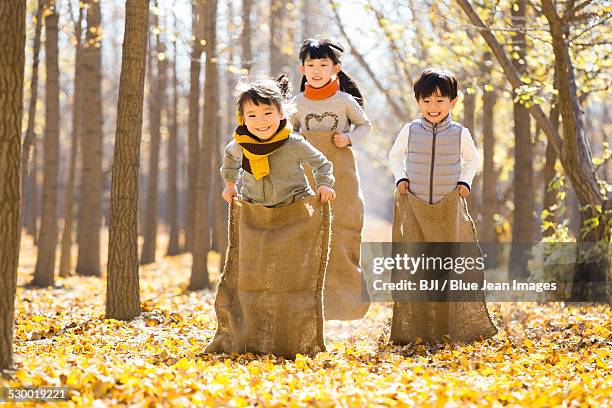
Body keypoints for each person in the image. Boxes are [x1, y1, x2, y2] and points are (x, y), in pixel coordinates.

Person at [289, 37, 372, 320]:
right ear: (302, 69)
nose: (316, 69)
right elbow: (288, 132)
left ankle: (347, 304)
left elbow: (365, 125)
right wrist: (298, 140)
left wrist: (348, 138)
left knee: (342, 232)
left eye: (323, 64)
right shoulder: (297, 103)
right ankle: (307, 305)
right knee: (306, 234)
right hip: (306, 176)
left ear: (335, 68)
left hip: (342, 176)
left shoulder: (345, 101)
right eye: (310, 64)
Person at [221, 75, 336, 207]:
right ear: (243, 119)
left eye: (267, 113)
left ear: (281, 113)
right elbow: (230, 157)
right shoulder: (241, 145)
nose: (261, 121)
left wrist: (324, 184)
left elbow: (322, 164)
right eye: (252, 115)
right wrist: (230, 185)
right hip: (256, 208)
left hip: (295, 205)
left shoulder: (294, 143)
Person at [389, 68, 479, 203]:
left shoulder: (460, 133)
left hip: (448, 204)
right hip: (415, 203)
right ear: (418, 102)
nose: (432, 107)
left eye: (439, 101)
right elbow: (395, 156)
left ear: (452, 102)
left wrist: (465, 181)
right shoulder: (410, 130)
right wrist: (401, 177)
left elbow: (473, 159)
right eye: (426, 101)